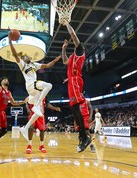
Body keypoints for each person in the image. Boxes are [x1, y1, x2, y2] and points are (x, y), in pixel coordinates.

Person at [8, 30, 61, 140]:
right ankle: (36, 105)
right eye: (25, 56)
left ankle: (25, 128)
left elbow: (47, 65)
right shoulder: (22, 65)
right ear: (23, 59)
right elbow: (14, 53)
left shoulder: (34, 65)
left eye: (27, 56)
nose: (27, 56)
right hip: (31, 86)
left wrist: (55, 60)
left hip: (35, 91)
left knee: (38, 114)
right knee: (48, 85)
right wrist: (10, 39)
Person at [61, 22, 91, 152]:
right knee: (73, 108)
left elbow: (73, 35)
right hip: (71, 82)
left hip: (75, 80)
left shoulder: (79, 51)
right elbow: (64, 61)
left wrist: (67, 23)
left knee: (76, 107)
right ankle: (82, 136)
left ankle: (84, 137)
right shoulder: (73, 56)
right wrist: (63, 48)